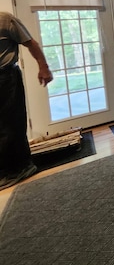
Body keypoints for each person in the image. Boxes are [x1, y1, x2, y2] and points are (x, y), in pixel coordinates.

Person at [0, 11, 53, 191]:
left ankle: (20, 168)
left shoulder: (5, 20)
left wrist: (44, 68)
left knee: (11, 124)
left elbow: (31, 43)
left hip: (6, 78)